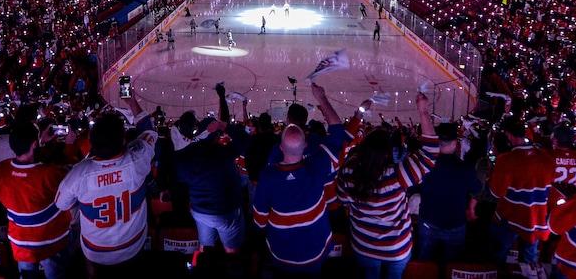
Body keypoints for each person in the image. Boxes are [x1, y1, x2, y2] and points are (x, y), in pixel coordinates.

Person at [252, 84, 351, 277]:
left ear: (280, 147)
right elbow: (338, 132)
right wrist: (321, 98)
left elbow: (259, 223)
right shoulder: (318, 167)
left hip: (280, 256)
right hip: (316, 254)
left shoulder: (268, 176)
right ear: (305, 145)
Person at [337, 94, 439, 279]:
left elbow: (344, 201)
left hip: (364, 245)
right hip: (395, 247)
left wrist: (359, 114)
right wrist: (423, 111)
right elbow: (430, 153)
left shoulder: (349, 172)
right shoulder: (398, 175)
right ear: (387, 153)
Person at [55, 93, 156, 277]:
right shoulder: (137, 159)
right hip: (133, 245)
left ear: (91, 143)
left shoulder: (79, 173)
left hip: (96, 252)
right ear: (124, 140)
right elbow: (149, 132)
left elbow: (61, 204)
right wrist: (132, 102)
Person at [173, 84, 246, 255]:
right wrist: (224, 126)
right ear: (216, 136)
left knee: (205, 247)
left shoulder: (185, 157)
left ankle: (204, 265)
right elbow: (245, 141)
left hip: (199, 211)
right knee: (231, 248)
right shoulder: (223, 153)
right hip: (225, 212)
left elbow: (181, 178)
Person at [0, 123, 72, 279]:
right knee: (55, 273)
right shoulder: (48, 173)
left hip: (19, 241)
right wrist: (69, 146)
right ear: (34, 144)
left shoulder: (2, 168)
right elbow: (70, 185)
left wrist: (40, 143)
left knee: (27, 275)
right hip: (50, 240)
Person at [488, 117, 555, 278]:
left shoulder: (506, 160)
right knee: (530, 261)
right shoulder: (546, 157)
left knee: (498, 254)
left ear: (509, 136)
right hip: (536, 219)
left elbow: (496, 193)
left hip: (510, 218)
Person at [414, 122, 482, 267]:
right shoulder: (466, 169)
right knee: (452, 266)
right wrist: (471, 208)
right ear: (453, 144)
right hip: (455, 225)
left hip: (428, 222)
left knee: (423, 264)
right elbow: (477, 191)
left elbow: (412, 187)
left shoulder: (424, 165)